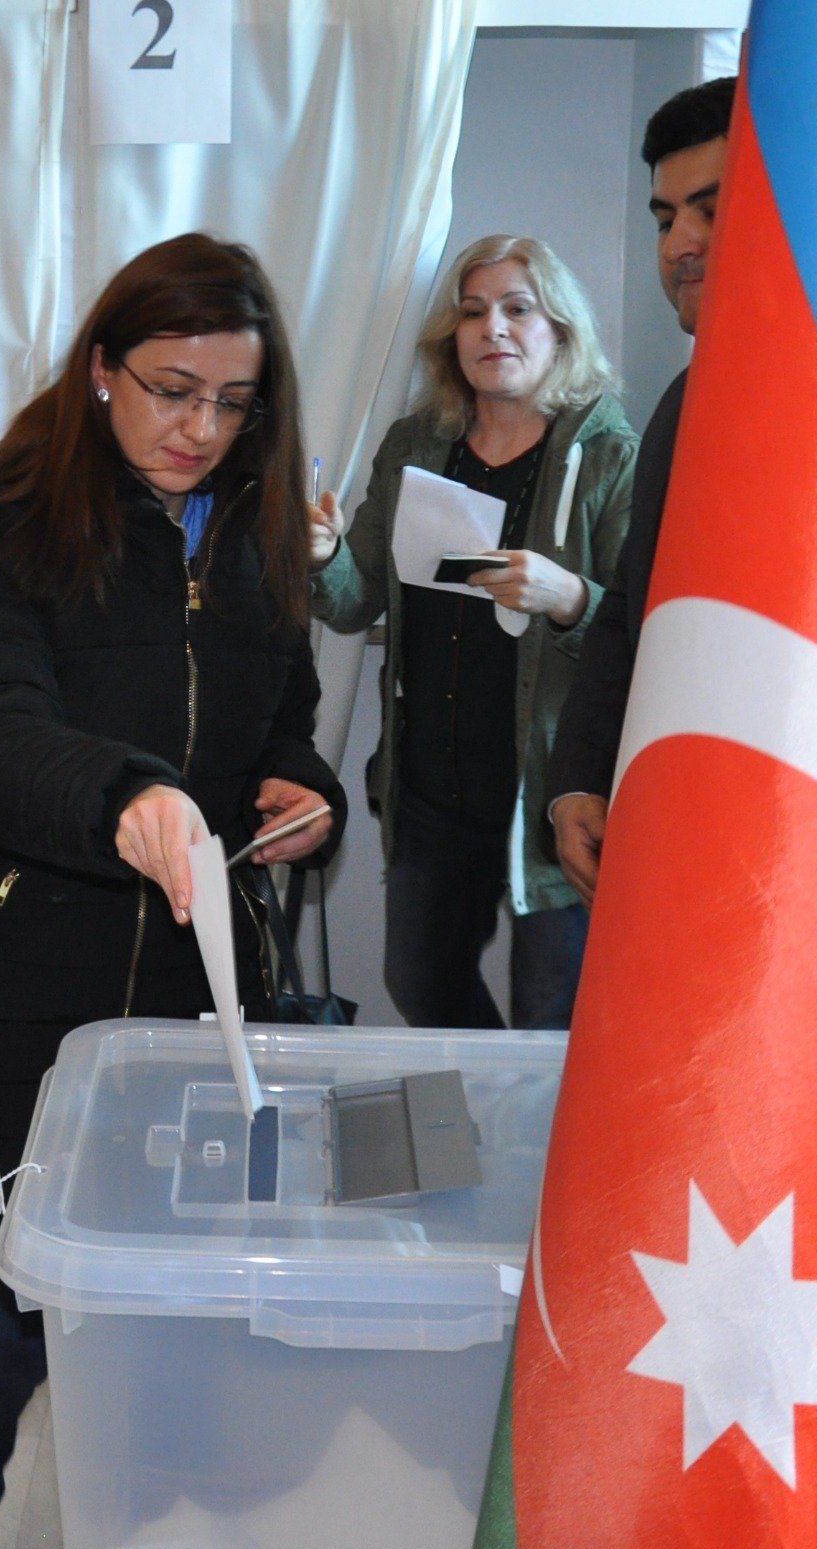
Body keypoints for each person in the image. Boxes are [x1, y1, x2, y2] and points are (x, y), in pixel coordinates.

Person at [0, 233, 345, 1549]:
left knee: (175, 1310)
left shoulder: (253, 531)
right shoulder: (1, 526)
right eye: (171, 389)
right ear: (99, 371)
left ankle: (147, 1531)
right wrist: (127, 796)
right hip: (7, 986)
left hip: (188, 998)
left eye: (233, 401)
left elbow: (284, 712)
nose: (201, 429)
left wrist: (296, 787)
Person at [309, 235, 638, 1029]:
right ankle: (482, 1109)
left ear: (559, 330)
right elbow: (353, 602)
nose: (493, 328)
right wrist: (320, 556)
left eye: (518, 309)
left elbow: (645, 631)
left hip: (551, 792)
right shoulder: (417, 446)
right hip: (431, 788)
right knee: (417, 982)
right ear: (450, 336)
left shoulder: (608, 456)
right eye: (473, 311)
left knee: (549, 1023)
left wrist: (570, 596)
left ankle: (523, 1114)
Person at [547, 77, 736, 906]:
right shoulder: (683, 405)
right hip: (688, 834)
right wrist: (579, 780)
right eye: (664, 219)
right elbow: (632, 608)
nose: (679, 245)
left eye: (710, 211)